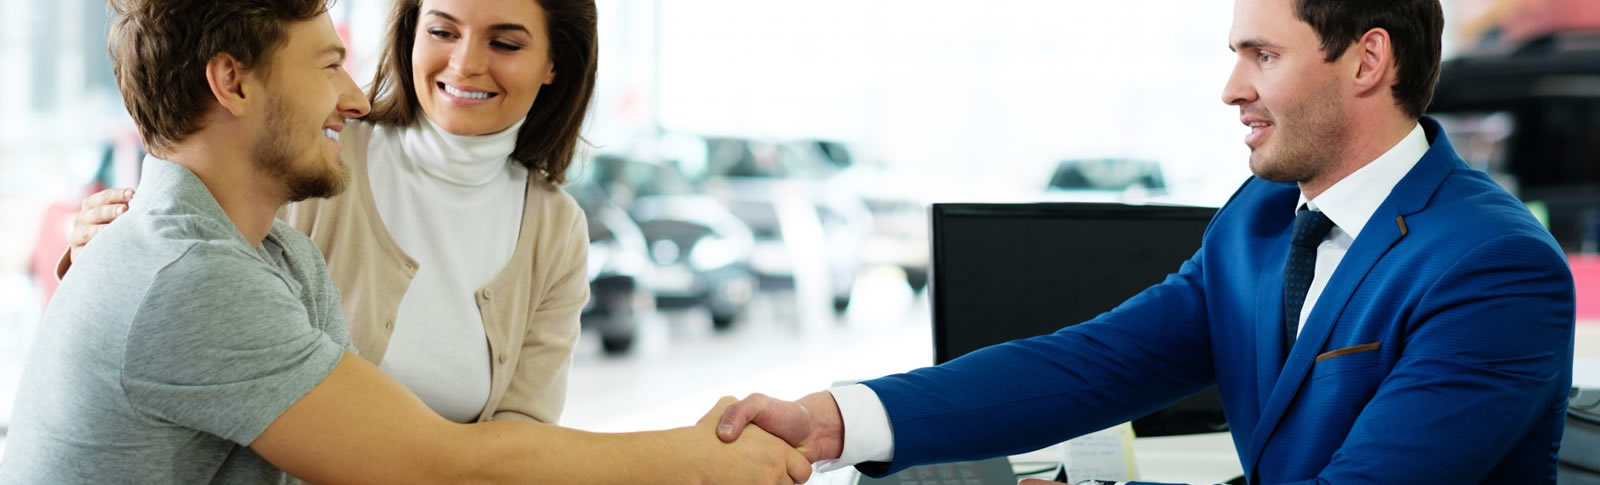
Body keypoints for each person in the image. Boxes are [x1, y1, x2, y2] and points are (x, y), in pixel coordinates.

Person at [715, 0, 1576, 483]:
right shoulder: (1260, 219)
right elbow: (1092, 363)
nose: (1230, 87)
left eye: (1261, 54)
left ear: (1366, 61)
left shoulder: (1491, 266)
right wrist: (834, 420)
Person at [0, 1, 811, 483]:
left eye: (504, 39)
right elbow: (441, 464)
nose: (355, 97)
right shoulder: (196, 267)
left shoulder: (285, 255)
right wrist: (694, 459)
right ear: (234, 82)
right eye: (328, 66)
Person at [64, 0, 593, 426]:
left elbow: (521, 442)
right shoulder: (313, 154)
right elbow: (185, 264)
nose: (465, 63)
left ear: (554, 63)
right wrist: (102, 249)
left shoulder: (556, 228)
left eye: (503, 43)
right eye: (442, 32)